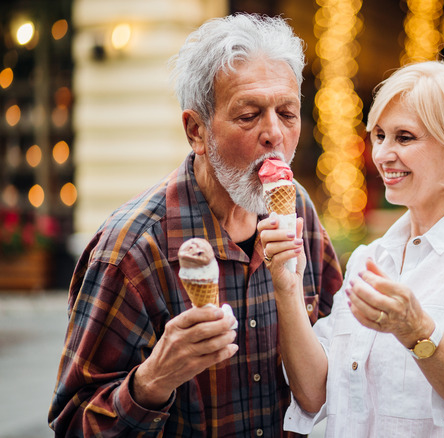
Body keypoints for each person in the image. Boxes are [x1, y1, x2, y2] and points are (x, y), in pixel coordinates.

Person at [48, 14, 343, 437]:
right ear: (196, 130)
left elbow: (340, 361)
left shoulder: (299, 211)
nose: (274, 134)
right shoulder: (131, 250)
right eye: (249, 115)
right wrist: (153, 381)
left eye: (288, 113)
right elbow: (72, 424)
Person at [260, 61, 444, 436]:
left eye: (404, 137)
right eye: (380, 135)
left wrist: (417, 331)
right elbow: (313, 394)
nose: (383, 154)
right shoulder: (371, 259)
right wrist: (286, 285)